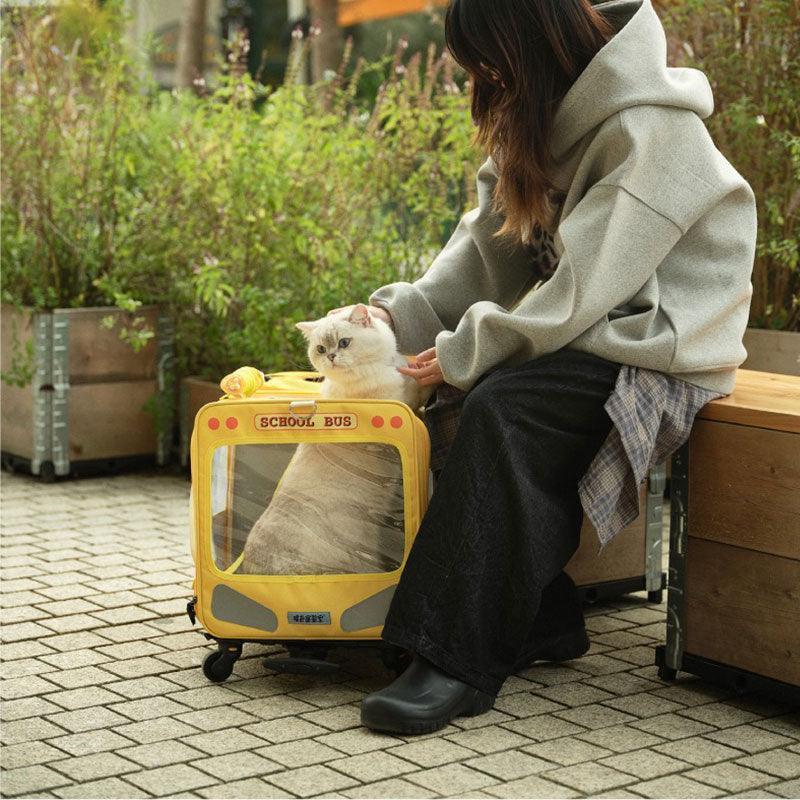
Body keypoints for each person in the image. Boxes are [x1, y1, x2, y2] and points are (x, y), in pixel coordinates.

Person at [341, 0, 757, 735]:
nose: (486, 77)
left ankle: (454, 658)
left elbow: (582, 288)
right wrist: (393, 321)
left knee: (505, 408)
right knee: (466, 399)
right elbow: (480, 260)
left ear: (531, 40)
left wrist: (469, 352)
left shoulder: (649, 127)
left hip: (663, 340)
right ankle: (540, 619)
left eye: (492, 58)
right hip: (595, 325)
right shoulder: (533, 115)